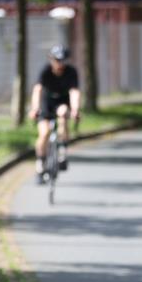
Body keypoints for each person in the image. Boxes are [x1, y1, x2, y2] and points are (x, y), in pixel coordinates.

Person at [28, 44, 81, 184]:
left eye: (62, 60)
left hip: (62, 101)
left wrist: (75, 109)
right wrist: (34, 108)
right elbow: (38, 90)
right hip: (47, 103)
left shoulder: (71, 72)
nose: (60, 64)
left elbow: (74, 92)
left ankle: (62, 151)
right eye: (57, 60)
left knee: (63, 113)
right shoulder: (45, 71)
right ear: (51, 59)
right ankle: (40, 164)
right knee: (44, 133)